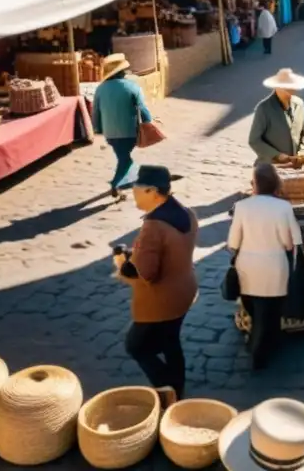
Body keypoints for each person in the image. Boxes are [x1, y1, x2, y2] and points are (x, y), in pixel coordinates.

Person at [118, 165, 198, 403]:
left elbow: (147, 272)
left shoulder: (153, 226)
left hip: (161, 302)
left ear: (152, 191)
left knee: (136, 346)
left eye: (136, 188)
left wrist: (123, 263)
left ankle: (169, 390)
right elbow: (171, 250)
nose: (132, 191)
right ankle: (178, 386)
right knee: (170, 340)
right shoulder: (187, 213)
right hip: (185, 290)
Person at [227, 163, 302, 369]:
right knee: (271, 311)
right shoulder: (284, 208)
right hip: (275, 268)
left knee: (255, 308)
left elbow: (233, 243)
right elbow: (289, 243)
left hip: (248, 269)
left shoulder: (242, 207)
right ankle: (266, 343)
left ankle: (259, 344)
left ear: (256, 185)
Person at [92, 53, 152, 200]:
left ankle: (125, 182)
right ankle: (116, 184)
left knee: (123, 157)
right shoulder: (132, 87)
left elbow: (95, 111)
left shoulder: (100, 89)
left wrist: (98, 128)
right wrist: (148, 122)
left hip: (110, 133)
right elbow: (142, 108)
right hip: (129, 131)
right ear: (121, 72)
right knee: (125, 159)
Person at [248, 69, 304, 164]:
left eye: (292, 88)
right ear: (276, 87)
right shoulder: (263, 108)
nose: (291, 92)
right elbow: (254, 140)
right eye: (287, 89)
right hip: (271, 168)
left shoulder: (299, 104)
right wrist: (276, 155)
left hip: (297, 167)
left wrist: (303, 152)